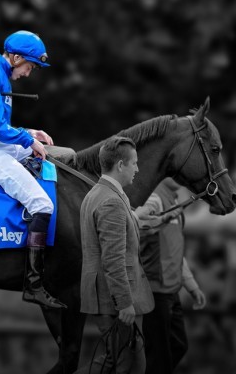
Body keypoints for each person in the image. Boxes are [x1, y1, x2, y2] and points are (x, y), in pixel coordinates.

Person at [0, 30, 63, 309]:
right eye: (29, 66)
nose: (29, 73)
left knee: (48, 153)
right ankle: (33, 284)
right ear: (16, 58)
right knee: (42, 204)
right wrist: (27, 140)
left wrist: (31, 133)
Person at [78, 136, 154, 374]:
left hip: (106, 298)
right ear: (120, 165)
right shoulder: (111, 201)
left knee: (115, 360)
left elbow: (115, 233)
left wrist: (137, 218)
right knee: (130, 365)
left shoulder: (98, 193)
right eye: (134, 163)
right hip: (116, 301)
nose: (137, 169)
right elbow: (112, 259)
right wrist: (124, 303)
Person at [134, 178, 208, 374]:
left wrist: (191, 286)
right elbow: (139, 224)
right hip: (157, 289)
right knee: (160, 354)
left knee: (177, 346)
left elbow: (175, 250)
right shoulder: (156, 198)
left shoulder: (172, 199)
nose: (180, 176)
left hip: (170, 289)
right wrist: (163, 219)